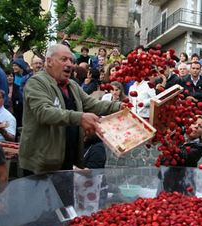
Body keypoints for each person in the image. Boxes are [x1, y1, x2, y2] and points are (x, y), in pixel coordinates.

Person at [19, 44, 124, 175]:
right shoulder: (36, 83)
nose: (70, 64)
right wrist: (80, 118)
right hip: (41, 163)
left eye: (71, 60)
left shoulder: (72, 85)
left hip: (66, 160)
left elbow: (91, 104)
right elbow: (44, 112)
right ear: (49, 61)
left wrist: (118, 106)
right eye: (64, 59)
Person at [159, 115, 202, 195]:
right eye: (194, 123)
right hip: (166, 182)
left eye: (200, 126)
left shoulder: (200, 147)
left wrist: (171, 146)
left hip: (185, 186)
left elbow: (185, 156)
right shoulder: (178, 138)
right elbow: (164, 159)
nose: (196, 127)